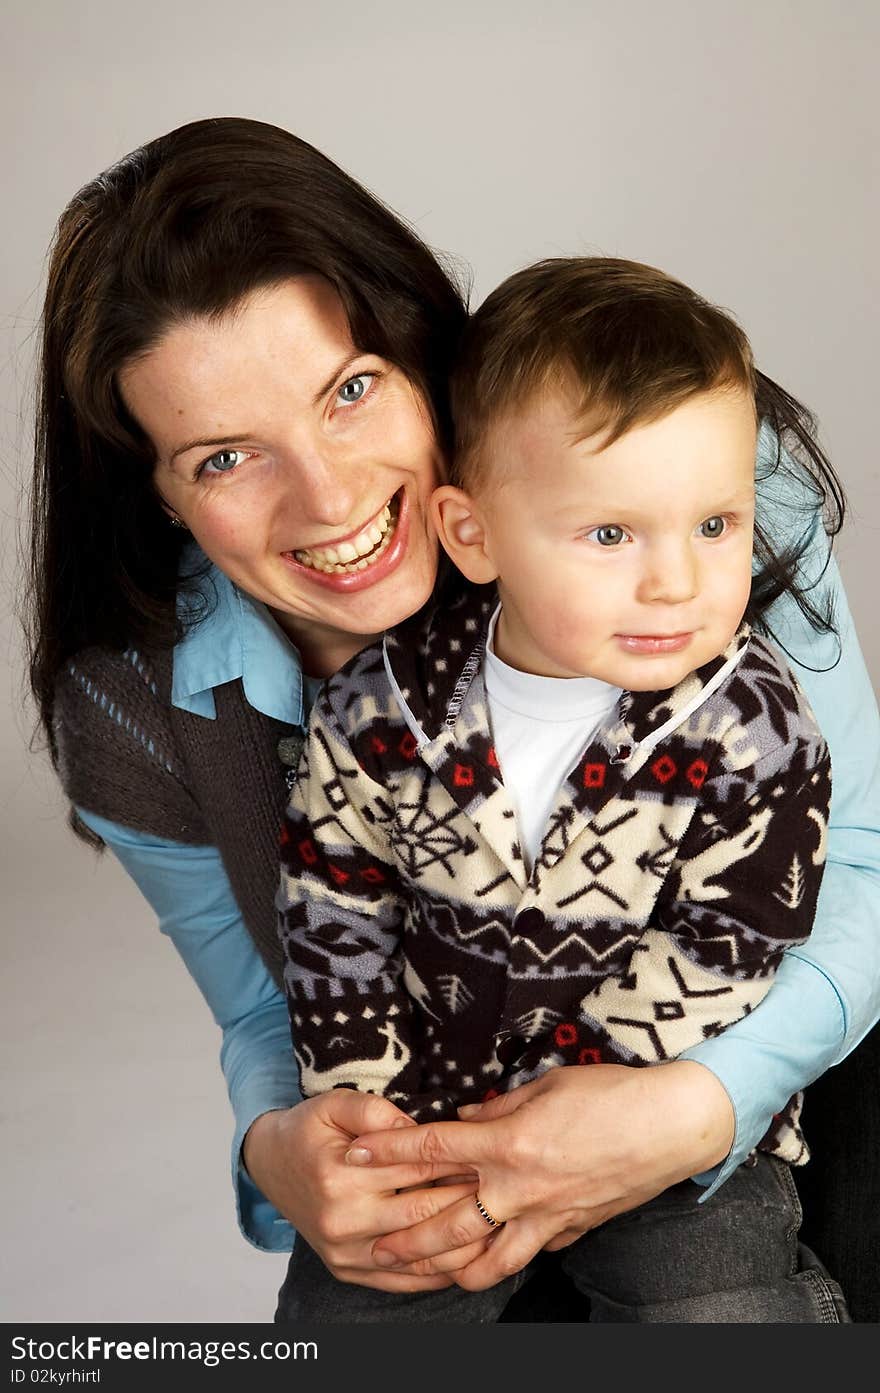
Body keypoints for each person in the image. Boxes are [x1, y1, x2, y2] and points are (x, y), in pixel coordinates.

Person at [25, 117, 880, 1321]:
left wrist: (684, 1104)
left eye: (352, 389)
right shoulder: (133, 701)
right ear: (158, 495)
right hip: (427, 1101)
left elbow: (852, 863)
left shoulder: (674, 478)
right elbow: (274, 1000)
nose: (328, 498)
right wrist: (283, 1145)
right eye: (224, 458)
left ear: (417, 348)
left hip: (754, 1065)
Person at [276, 257, 841, 1321]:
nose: (675, 579)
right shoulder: (382, 706)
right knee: (352, 1316)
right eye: (611, 534)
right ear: (473, 535)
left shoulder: (750, 729)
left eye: (713, 526)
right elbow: (332, 892)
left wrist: (584, 1094)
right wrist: (359, 1086)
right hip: (426, 1112)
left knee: (710, 1307)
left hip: (654, 1117)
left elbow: (735, 936)